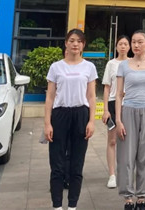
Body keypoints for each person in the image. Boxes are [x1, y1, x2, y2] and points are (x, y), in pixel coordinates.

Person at [44, 29, 97, 210]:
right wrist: (47, 123)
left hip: (81, 115)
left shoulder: (89, 67)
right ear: (66, 43)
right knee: (57, 164)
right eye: (72, 40)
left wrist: (91, 121)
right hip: (60, 115)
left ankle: (72, 205)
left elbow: (91, 96)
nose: (75, 44)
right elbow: (50, 97)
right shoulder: (56, 67)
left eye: (79, 41)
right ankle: (57, 206)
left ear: (83, 45)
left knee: (77, 164)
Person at [115, 30, 145, 210]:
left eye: (140, 42)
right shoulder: (124, 66)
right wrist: (118, 120)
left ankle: (142, 196)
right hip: (128, 111)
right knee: (126, 156)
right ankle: (128, 197)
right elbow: (119, 94)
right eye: (133, 42)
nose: (136, 45)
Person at [101, 35, 130, 188]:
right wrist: (105, 109)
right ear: (116, 46)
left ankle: (125, 172)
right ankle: (112, 175)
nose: (123, 46)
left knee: (128, 141)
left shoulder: (133, 63)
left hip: (129, 104)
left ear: (129, 47)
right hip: (113, 104)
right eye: (120, 44)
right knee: (112, 141)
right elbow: (106, 87)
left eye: (125, 44)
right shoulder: (111, 64)